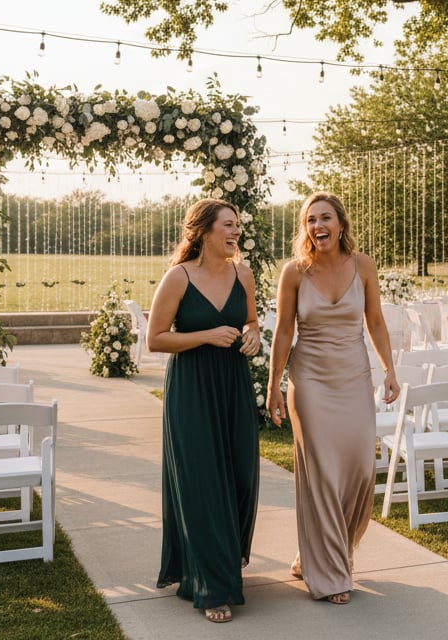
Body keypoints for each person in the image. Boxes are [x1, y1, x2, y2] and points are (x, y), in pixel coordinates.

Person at [266, 191, 400, 605]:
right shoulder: (294, 272)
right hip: (310, 382)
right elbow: (284, 332)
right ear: (305, 229)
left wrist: (389, 369)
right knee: (322, 475)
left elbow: (374, 320)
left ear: (341, 224)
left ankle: (325, 553)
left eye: (325, 218)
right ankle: (330, 571)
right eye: (310, 220)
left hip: (354, 376)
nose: (317, 226)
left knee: (360, 468)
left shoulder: (364, 267)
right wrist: (273, 386)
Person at [148, 199, 263, 624]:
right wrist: (205, 335)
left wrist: (252, 336)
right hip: (192, 391)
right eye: (228, 225)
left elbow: (250, 320)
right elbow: (155, 339)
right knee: (203, 483)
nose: (235, 232)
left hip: (232, 386)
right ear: (205, 232)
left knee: (241, 477)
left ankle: (221, 563)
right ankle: (211, 586)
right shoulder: (178, 278)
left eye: (238, 225)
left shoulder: (243, 273)